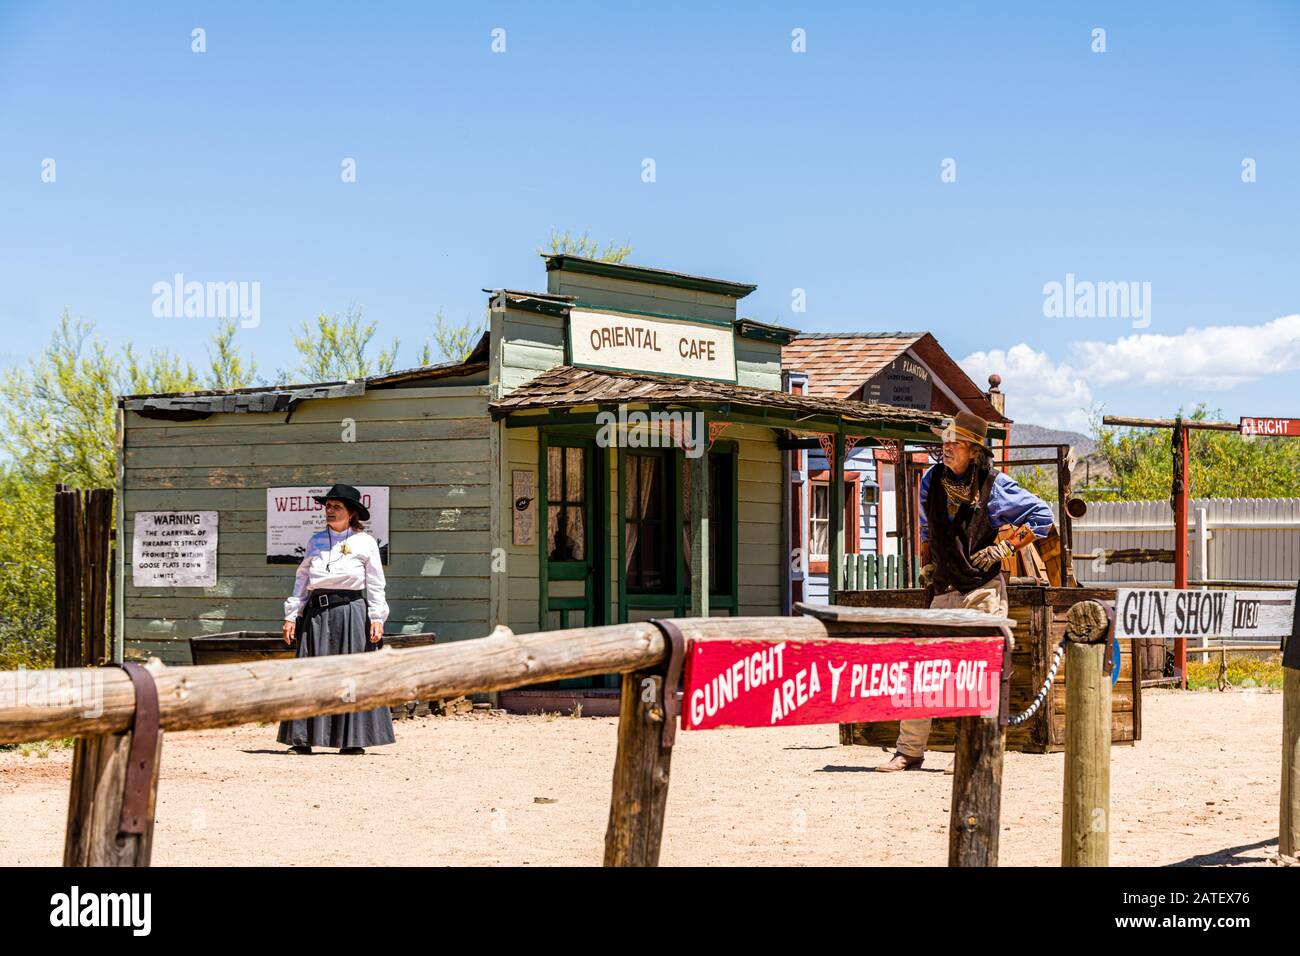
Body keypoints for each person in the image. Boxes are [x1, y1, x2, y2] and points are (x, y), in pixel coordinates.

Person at [877, 412, 1053, 772]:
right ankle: (909, 750)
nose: (948, 447)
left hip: (982, 590)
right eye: (946, 441)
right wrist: (929, 565)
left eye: (956, 442)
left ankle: (970, 750)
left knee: (974, 671)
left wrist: (1004, 549)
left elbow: (1043, 516)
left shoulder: (995, 484)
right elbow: (928, 529)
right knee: (921, 670)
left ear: (974, 450)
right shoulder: (931, 481)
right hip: (945, 588)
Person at [277, 483, 396, 755]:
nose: (329, 511)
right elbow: (302, 579)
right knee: (311, 670)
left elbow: (376, 582)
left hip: (352, 610)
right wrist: (292, 615)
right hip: (317, 612)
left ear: (351, 512)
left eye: (336, 507)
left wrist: (377, 617)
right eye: (327, 506)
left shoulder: (365, 542)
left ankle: (353, 738)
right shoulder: (315, 541)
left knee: (351, 672)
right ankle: (302, 738)